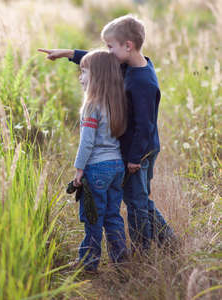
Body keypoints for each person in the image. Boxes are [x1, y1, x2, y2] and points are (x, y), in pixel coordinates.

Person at [38, 15, 176, 254]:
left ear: (128, 46)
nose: (107, 51)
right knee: (139, 198)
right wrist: (67, 53)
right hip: (135, 150)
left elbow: (145, 126)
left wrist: (134, 158)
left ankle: (144, 249)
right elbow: (99, 63)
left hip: (140, 152)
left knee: (136, 202)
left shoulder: (142, 82)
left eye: (110, 46)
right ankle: (167, 240)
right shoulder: (128, 63)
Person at [68, 49, 128, 272]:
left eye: (84, 72)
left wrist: (79, 170)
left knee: (93, 217)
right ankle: (121, 261)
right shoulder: (116, 103)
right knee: (112, 216)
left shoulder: (91, 106)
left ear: (97, 76)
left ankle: (89, 262)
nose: (80, 77)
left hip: (97, 169)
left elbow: (87, 143)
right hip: (117, 167)